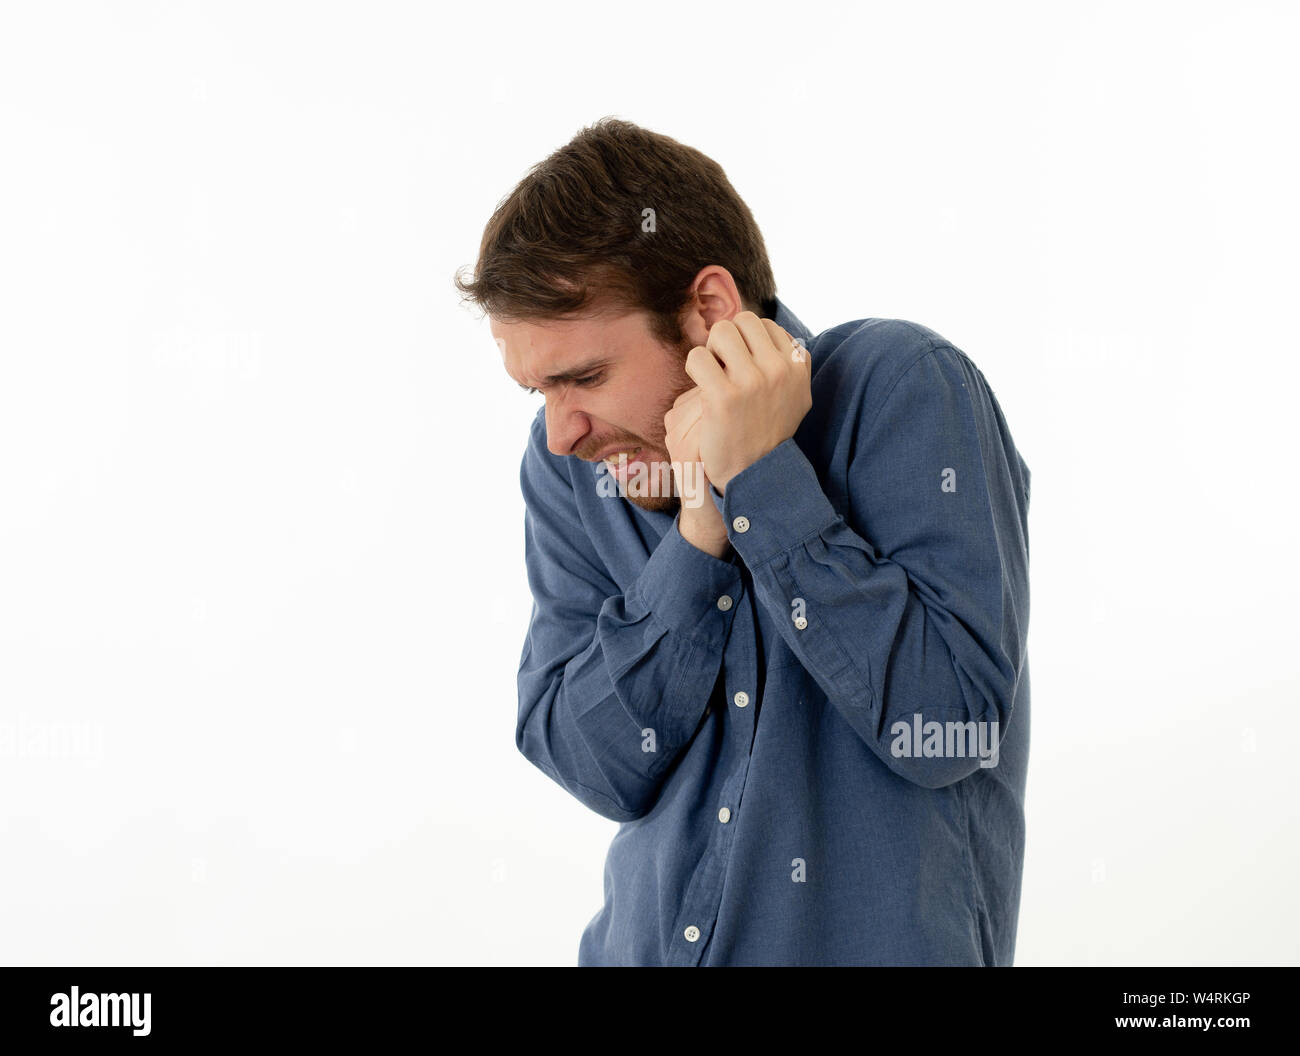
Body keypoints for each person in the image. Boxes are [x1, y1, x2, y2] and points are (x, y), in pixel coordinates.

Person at [455, 117, 1032, 966]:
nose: (559, 432)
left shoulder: (902, 386)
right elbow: (593, 765)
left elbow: (944, 725)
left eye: (583, 377)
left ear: (708, 311)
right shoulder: (572, 475)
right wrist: (701, 527)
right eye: (535, 391)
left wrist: (760, 476)